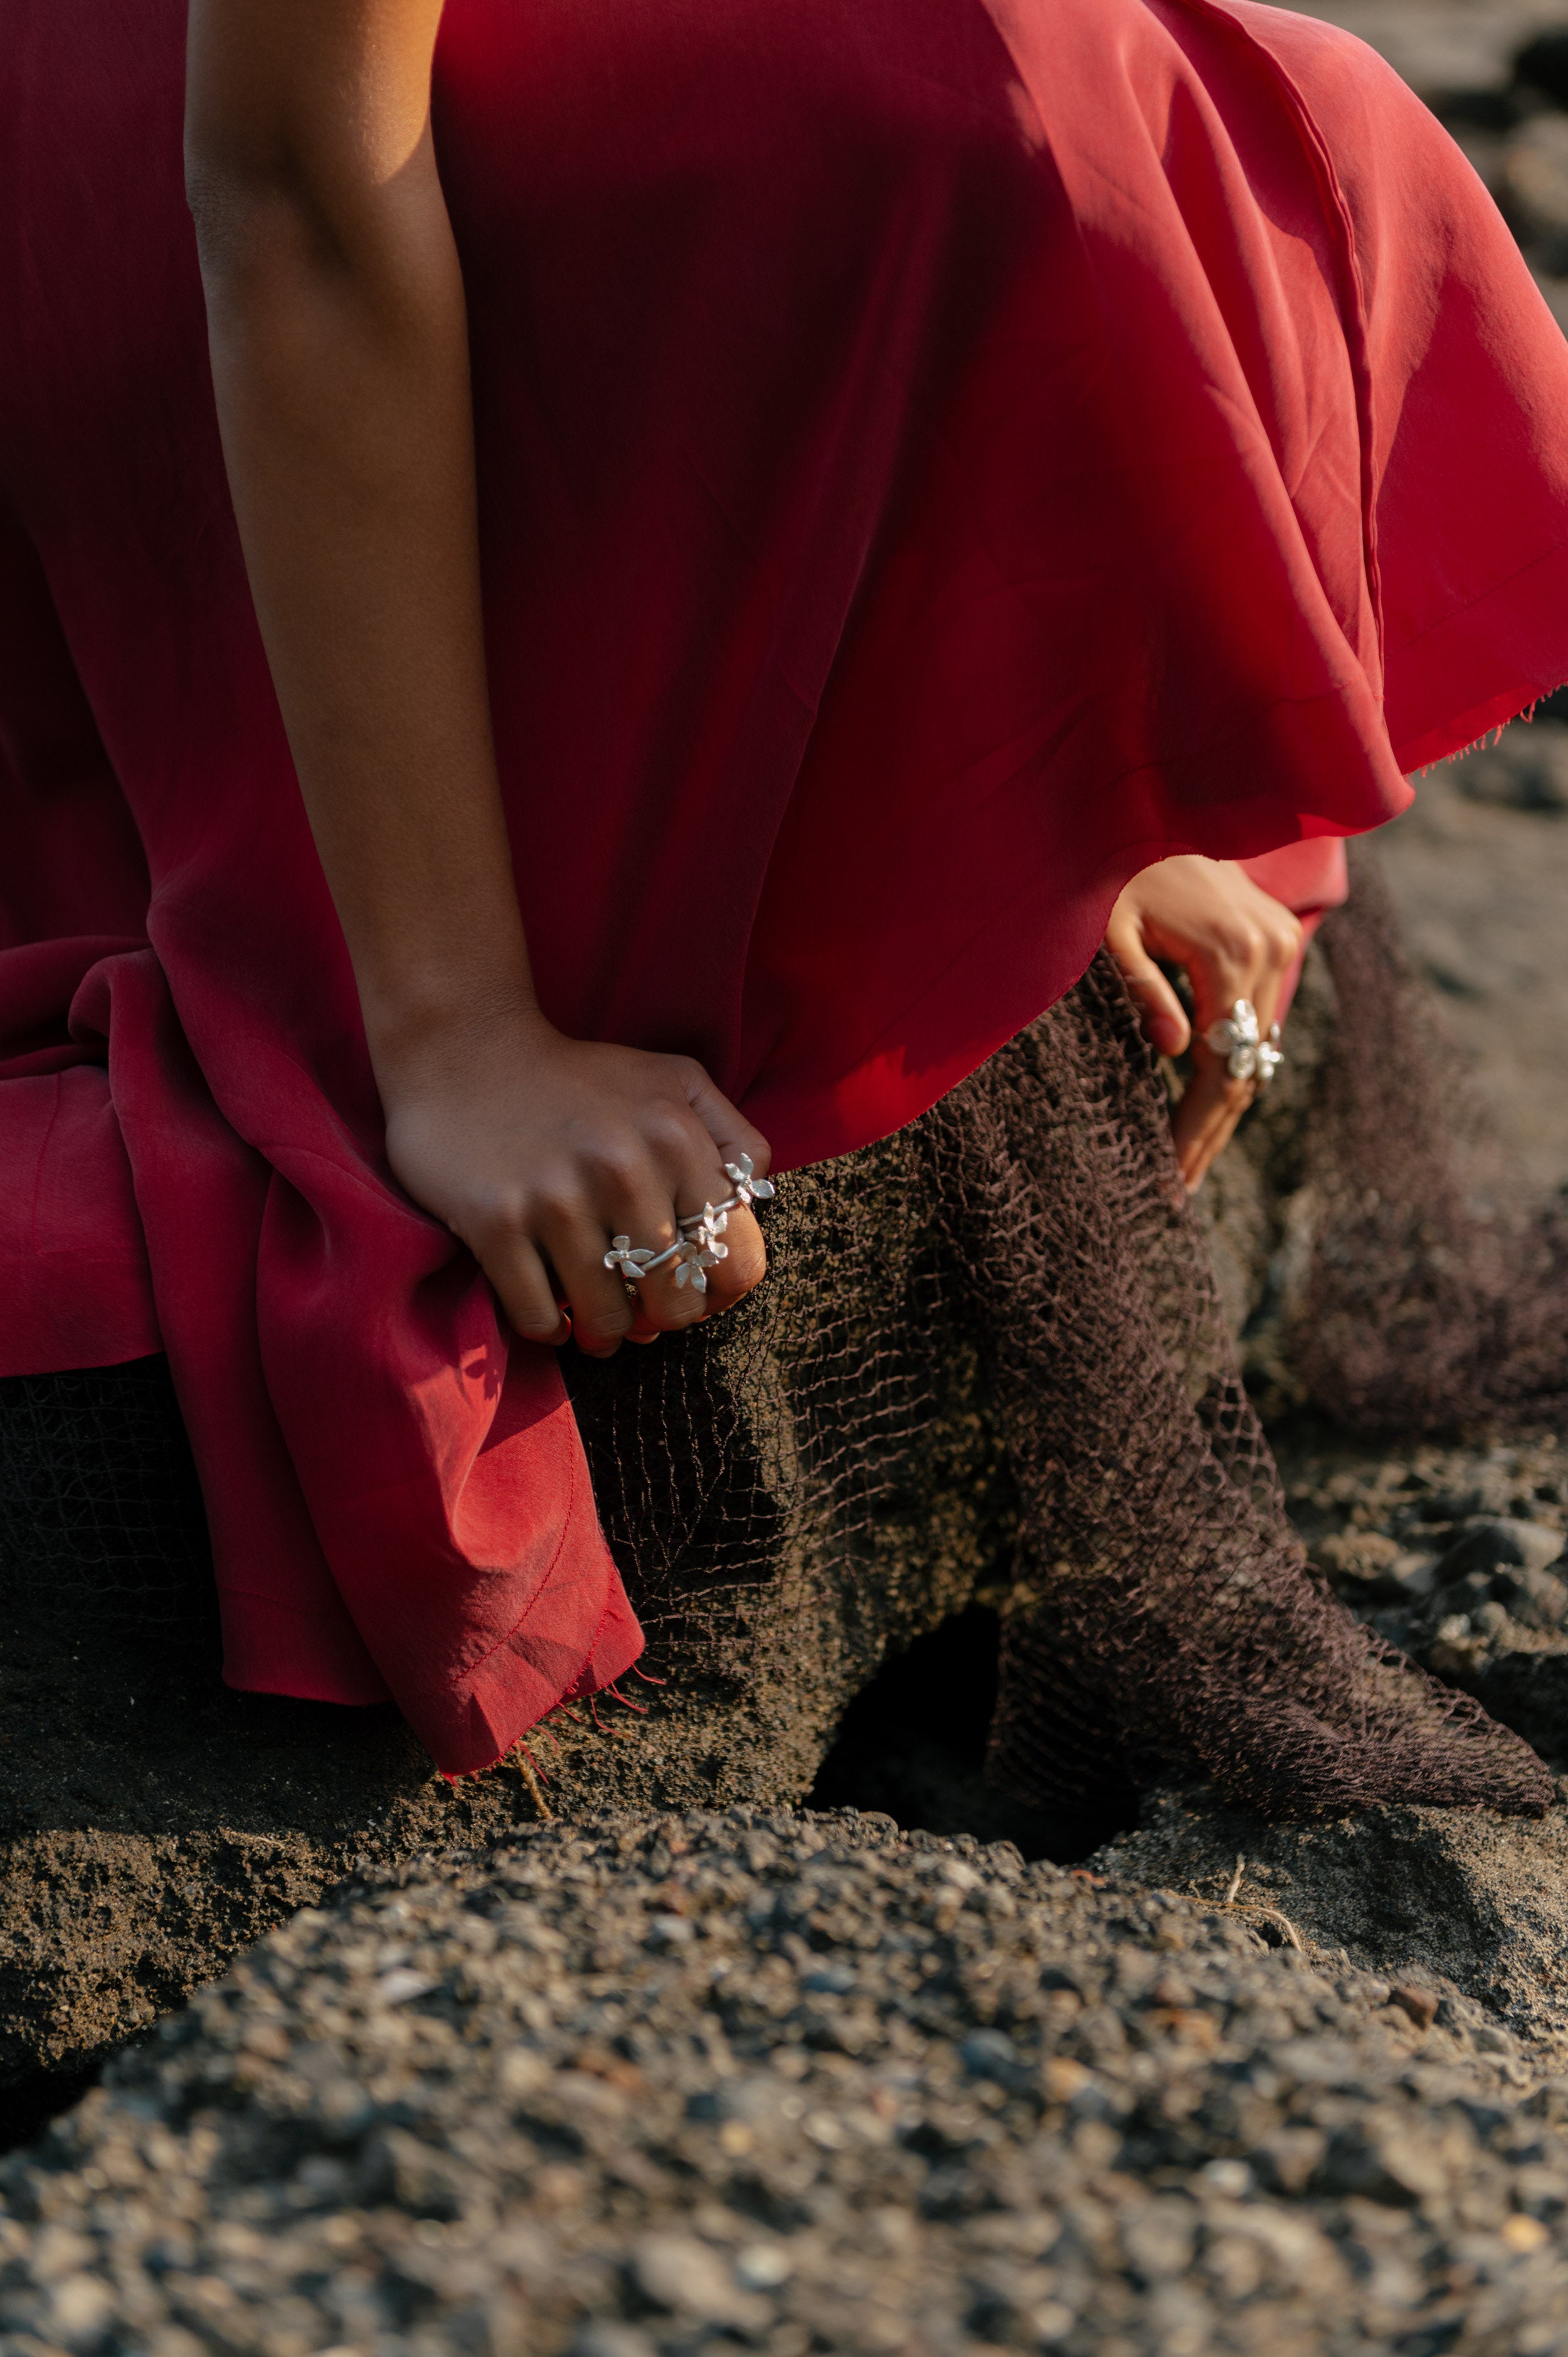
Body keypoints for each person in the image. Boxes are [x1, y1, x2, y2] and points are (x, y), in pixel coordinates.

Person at [4, 0, 1568, 1792]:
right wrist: (454, 1030)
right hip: (212, 154)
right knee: (982, 97)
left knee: (1232, 97)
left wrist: (1055, 763)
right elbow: (288, 175)